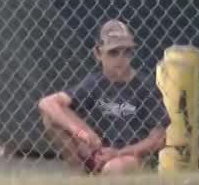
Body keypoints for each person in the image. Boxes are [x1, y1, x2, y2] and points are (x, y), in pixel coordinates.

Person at [36, 19, 170, 175]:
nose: (121, 59)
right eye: (113, 52)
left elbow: (158, 139)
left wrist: (119, 153)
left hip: (131, 156)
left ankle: (104, 183)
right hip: (98, 151)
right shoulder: (95, 82)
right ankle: (80, 178)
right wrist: (82, 133)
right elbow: (47, 103)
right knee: (51, 116)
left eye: (126, 52)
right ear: (98, 53)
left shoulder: (144, 85)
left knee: (114, 168)